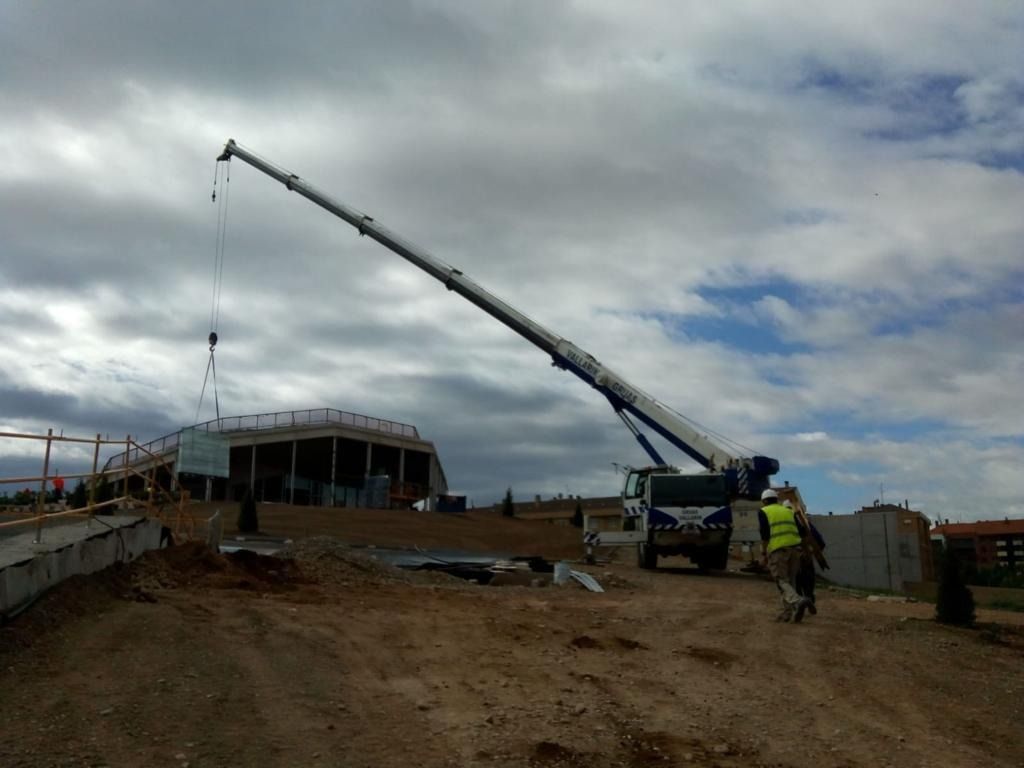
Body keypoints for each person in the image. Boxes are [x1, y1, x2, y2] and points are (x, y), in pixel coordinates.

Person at [759, 488, 811, 623]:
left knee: (781, 580)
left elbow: (765, 535)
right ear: (776, 500)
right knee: (790, 581)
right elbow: (802, 532)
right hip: (795, 550)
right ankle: (788, 613)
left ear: (764, 501)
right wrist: (805, 551)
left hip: (778, 550)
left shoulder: (764, 511)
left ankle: (797, 601)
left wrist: (764, 552)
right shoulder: (788, 511)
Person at [784, 500, 826, 616]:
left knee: (794, 583)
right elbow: (821, 543)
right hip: (806, 558)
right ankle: (809, 600)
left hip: (792, 558)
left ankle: (800, 603)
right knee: (808, 583)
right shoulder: (805, 523)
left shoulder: (784, 525)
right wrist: (810, 552)